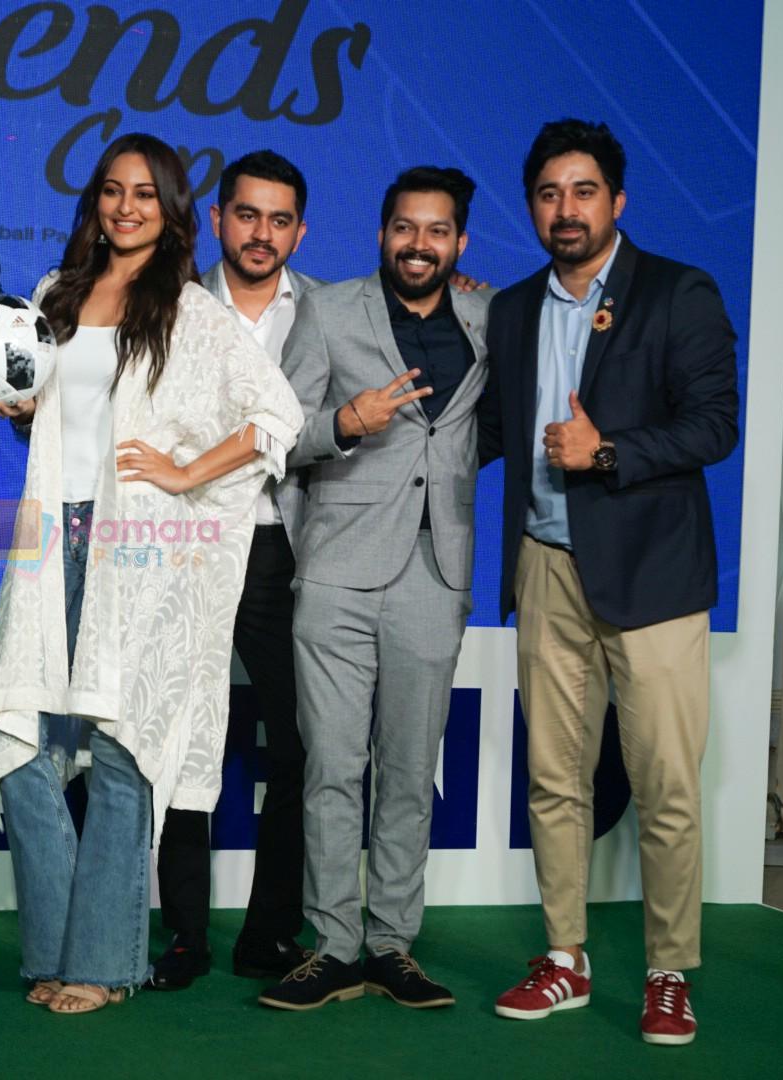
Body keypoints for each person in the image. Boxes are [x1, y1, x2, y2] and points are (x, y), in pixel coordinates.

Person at [0, 133, 303, 1014]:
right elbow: (49, 424)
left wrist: (188, 471)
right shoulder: (53, 296)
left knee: (124, 750)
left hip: (141, 548)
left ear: (171, 210)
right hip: (45, 533)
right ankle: (50, 949)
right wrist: (21, 412)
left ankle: (100, 966)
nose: (126, 207)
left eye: (145, 195)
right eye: (113, 192)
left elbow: (280, 414)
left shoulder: (192, 312)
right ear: (96, 202)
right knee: (22, 746)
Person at [481, 119, 738, 1046]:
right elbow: (497, 434)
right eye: (548, 194)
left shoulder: (676, 292)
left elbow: (715, 426)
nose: (565, 209)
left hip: (653, 579)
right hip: (546, 570)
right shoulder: (510, 310)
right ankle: (565, 958)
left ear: (616, 201)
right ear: (532, 206)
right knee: (554, 780)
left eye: (583, 191)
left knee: (666, 785)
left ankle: (669, 971)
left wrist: (610, 452)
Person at [258, 166, 492, 1012]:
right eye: (404, 227)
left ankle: (393, 943)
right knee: (330, 765)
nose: (418, 244)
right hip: (337, 573)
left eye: (436, 231)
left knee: (407, 770)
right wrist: (341, 426)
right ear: (382, 231)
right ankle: (332, 946)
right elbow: (274, 438)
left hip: (437, 573)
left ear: (459, 243)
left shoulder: (486, 316)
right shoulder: (328, 311)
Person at [149, 150, 325, 990]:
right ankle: (184, 934)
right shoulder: (168, 304)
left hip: (282, 551)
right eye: (246, 215)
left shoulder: (330, 312)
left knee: (297, 743)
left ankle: (268, 933)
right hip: (181, 543)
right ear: (216, 220)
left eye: (278, 219)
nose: (261, 233)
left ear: (298, 230)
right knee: (180, 738)